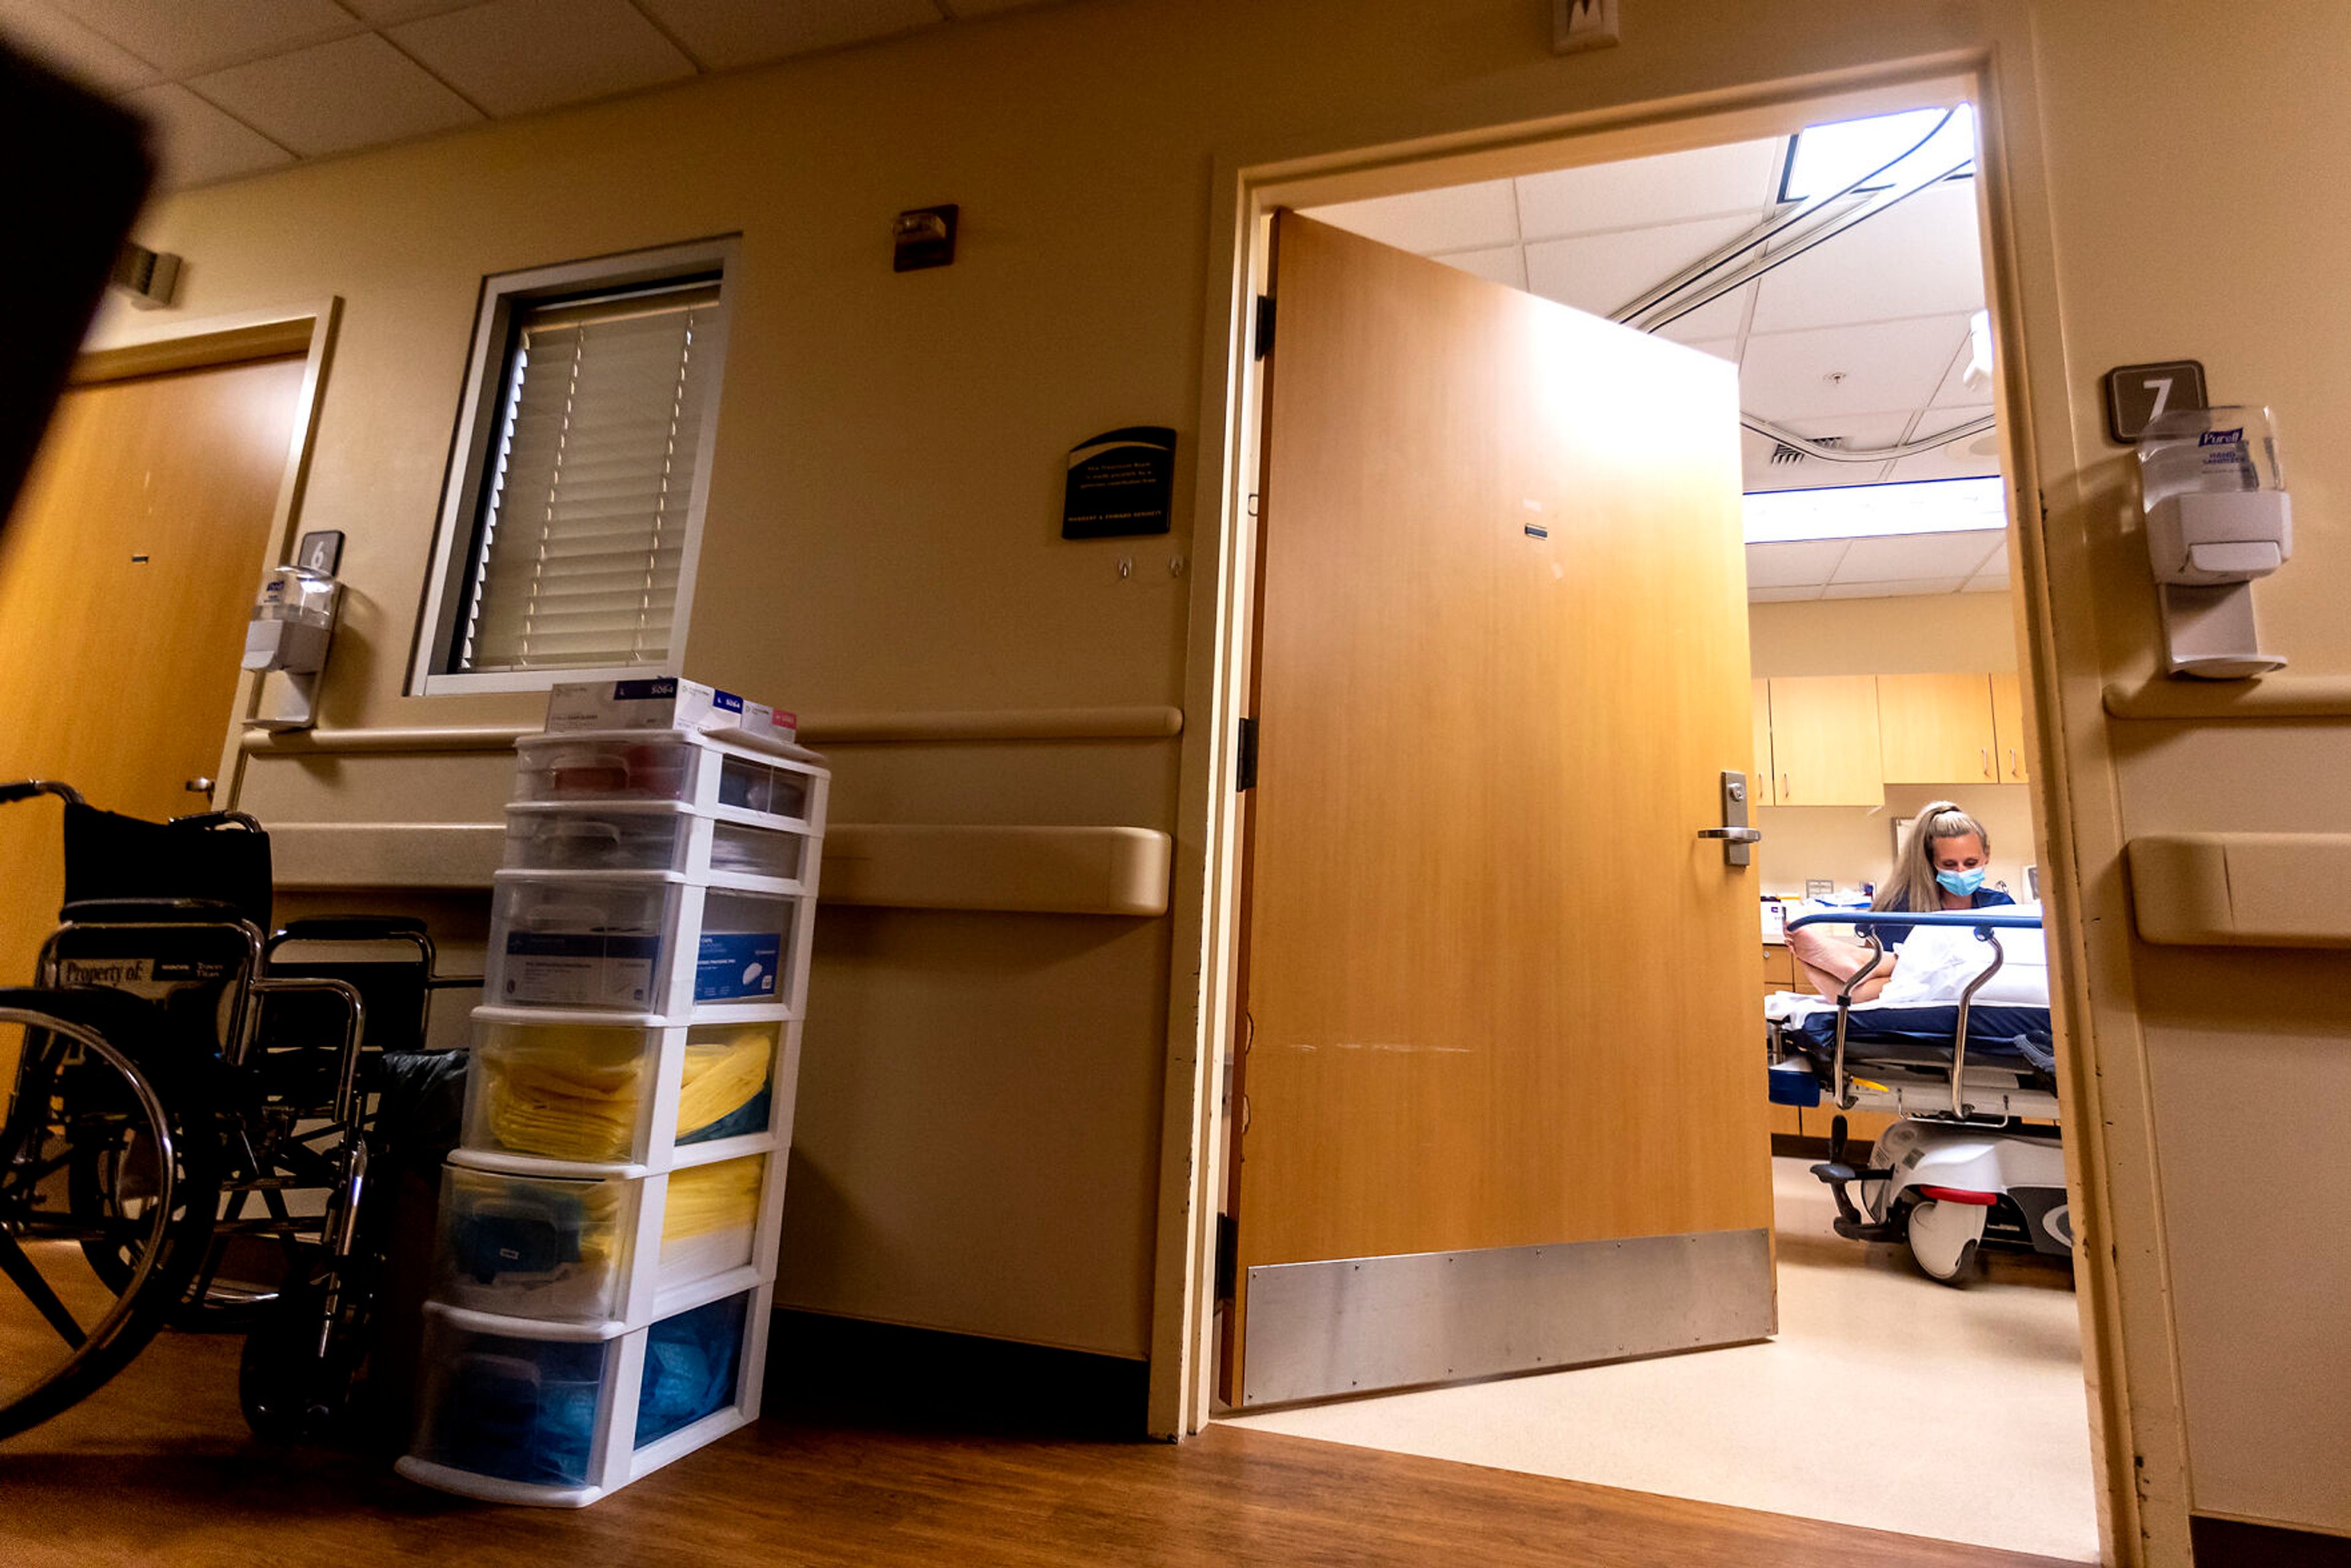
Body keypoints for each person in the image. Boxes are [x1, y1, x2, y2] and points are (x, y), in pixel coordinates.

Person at [1785, 801, 2014, 1000]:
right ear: (1930, 861)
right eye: (1949, 865)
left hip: (1986, 983)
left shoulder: (2001, 907)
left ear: (1987, 855)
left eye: (1971, 863)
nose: (1961, 872)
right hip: (1926, 991)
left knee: (1866, 990)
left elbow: (2017, 968)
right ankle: (1851, 969)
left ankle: (1854, 964)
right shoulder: (1898, 911)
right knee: (1906, 979)